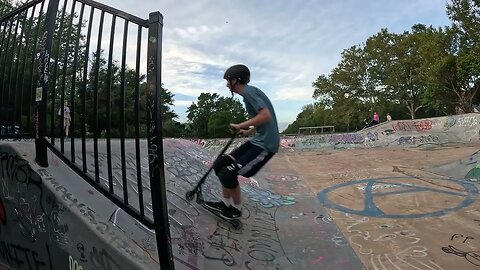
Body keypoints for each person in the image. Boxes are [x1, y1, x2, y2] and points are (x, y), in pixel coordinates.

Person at [204, 64, 280, 220]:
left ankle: (235, 211)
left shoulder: (249, 92)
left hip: (265, 145)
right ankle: (225, 205)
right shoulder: (248, 96)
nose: (226, 84)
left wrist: (240, 125)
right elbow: (261, 120)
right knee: (220, 164)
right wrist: (248, 131)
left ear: (236, 80)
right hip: (257, 140)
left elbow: (266, 116)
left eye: (228, 80)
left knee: (228, 172)